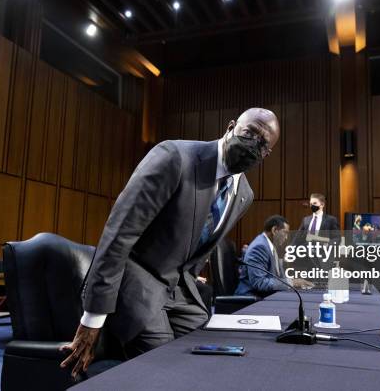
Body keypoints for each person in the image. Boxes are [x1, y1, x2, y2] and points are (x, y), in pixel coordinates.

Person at [60, 108, 280, 376]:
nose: (253, 145)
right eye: (249, 133)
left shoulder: (245, 194)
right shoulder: (175, 157)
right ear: (231, 126)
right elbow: (119, 234)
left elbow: (198, 242)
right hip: (138, 285)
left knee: (208, 360)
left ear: (266, 155)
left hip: (182, 293)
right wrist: (92, 318)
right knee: (166, 368)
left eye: (262, 144)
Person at [235, 215, 313, 297]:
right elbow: (259, 283)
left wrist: (295, 282)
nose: (286, 238)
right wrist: (292, 283)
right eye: (285, 232)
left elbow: (278, 277)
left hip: (265, 296)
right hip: (251, 298)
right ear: (274, 230)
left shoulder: (269, 245)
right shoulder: (259, 247)